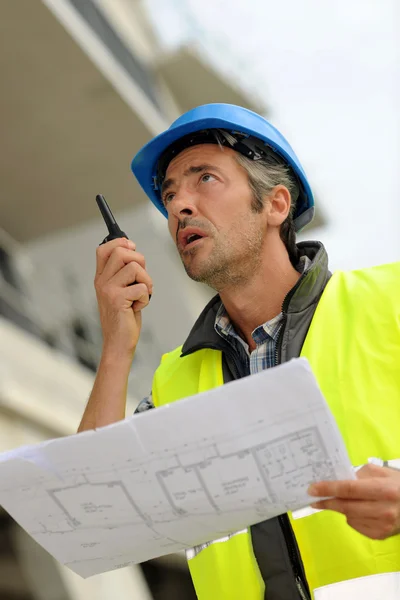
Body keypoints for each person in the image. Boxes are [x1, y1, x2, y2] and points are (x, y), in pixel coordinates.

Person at [78, 104, 400, 600]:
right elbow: (97, 522)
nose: (179, 205)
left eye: (204, 178)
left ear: (275, 205)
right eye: (169, 194)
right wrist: (117, 346)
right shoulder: (175, 382)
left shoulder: (389, 302)